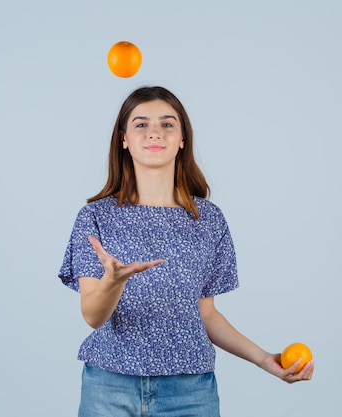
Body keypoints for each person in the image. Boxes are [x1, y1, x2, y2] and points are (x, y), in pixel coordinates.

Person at [58, 86, 314, 417]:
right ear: (123, 139)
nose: (154, 132)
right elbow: (93, 316)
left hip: (189, 393)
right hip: (109, 386)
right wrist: (113, 281)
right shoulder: (95, 217)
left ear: (182, 139)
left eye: (167, 124)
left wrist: (263, 358)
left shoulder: (208, 219)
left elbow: (205, 314)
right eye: (140, 124)